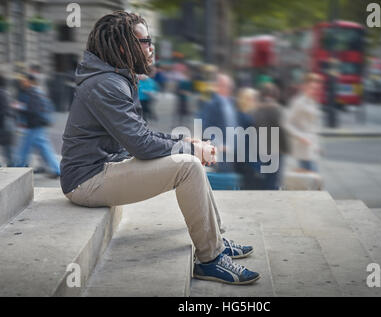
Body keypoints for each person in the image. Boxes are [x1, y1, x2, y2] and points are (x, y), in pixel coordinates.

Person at [60, 11, 259, 285]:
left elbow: (140, 133)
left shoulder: (113, 76)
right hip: (86, 181)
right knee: (188, 167)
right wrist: (190, 152)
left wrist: (189, 143)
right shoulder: (106, 83)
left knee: (188, 157)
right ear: (123, 46)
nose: (151, 47)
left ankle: (216, 242)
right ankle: (210, 260)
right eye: (146, 41)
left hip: (107, 167)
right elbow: (141, 144)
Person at [14, 74, 60, 178]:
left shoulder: (32, 92)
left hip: (34, 125)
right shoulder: (37, 92)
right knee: (43, 148)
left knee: (25, 148)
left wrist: (20, 107)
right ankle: (56, 169)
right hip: (37, 124)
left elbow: (32, 110)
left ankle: (18, 168)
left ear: (30, 82)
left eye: (24, 81)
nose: (22, 83)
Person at [198, 73, 239, 173]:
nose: (228, 88)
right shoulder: (211, 105)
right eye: (224, 85)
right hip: (221, 153)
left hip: (235, 151)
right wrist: (219, 145)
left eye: (229, 86)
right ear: (217, 86)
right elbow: (205, 128)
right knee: (222, 180)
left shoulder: (233, 103)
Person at [252, 82, 290, 190]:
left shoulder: (256, 110)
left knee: (262, 180)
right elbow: (282, 131)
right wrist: (285, 149)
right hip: (276, 152)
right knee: (273, 181)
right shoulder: (277, 109)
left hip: (261, 151)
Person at [284, 73, 323, 173]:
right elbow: (286, 124)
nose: (314, 90)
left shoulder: (313, 101)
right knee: (312, 182)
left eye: (316, 88)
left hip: (312, 148)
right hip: (303, 149)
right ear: (304, 87)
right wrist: (301, 136)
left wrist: (317, 146)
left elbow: (314, 126)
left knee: (313, 182)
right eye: (311, 87)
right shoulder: (298, 102)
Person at [234, 87, 261, 189]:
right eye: (252, 99)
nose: (255, 102)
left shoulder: (243, 115)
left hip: (246, 160)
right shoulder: (244, 116)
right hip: (247, 162)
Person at [0, 74, 15, 167]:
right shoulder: (5, 93)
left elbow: (3, 111)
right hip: (8, 124)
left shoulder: (1, 93)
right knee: (8, 149)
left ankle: (13, 167)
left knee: (7, 150)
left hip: (4, 124)